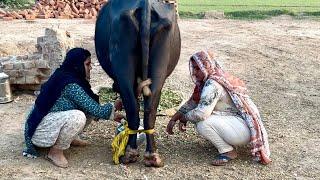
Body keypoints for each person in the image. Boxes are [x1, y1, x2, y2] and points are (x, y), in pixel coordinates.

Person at [23, 48, 123, 168]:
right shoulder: (71, 85)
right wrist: (114, 111)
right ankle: (55, 152)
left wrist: (113, 107)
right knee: (78, 117)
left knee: (86, 108)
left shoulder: (67, 75)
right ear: (77, 65)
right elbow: (96, 110)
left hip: (48, 120)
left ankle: (70, 138)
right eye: (87, 64)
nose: (90, 68)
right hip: (39, 131)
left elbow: (91, 106)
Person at [166, 50, 271, 166]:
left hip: (242, 130)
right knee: (200, 114)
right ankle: (227, 141)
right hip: (239, 125)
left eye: (198, 68)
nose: (194, 73)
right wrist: (174, 119)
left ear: (207, 66)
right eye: (194, 68)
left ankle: (228, 151)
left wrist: (185, 118)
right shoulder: (208, 81)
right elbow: (192, 102)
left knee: (202, 122)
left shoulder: (213, 84)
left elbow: (201, 113)